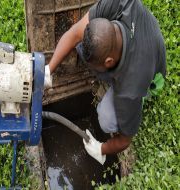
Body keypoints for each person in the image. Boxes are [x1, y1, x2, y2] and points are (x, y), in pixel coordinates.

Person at [44, 0, 166, 165]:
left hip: (151, 76)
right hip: (144, 38)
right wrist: (48, 70)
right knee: (82, 45)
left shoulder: (130, 87)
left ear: (109, 62)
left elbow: (125, 140)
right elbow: (74, 34)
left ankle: (142, 94)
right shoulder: (118, 4)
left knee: (106, 118)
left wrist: (101, 149)